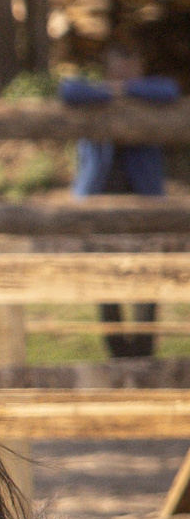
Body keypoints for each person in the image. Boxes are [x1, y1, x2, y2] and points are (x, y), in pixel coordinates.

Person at [60, 38, 180, 359]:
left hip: (144, 210)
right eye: (117, 67)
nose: (124, 74)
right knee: (105, 287)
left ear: (139, 67)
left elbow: (170, 89)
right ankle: (119, 361)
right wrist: (113, 92)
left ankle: (142, 360)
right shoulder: (95, 98)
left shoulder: (147, 97)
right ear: (107, 68)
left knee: (146, 286)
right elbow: (67, 90)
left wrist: (125, 91)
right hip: (99, 208)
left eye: (130, 67)